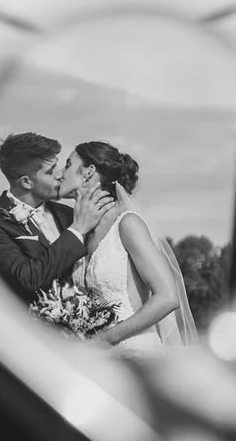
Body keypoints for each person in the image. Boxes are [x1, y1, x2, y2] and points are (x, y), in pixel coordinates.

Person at [58, 141, 198, 354]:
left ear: (88, 172)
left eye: (68, 164)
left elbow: (168, 297)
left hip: (135, 355)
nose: (61, 172)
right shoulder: (81, 233)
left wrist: (103, 340)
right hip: (97, 361)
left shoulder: (127, 224)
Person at [0, 132, 114, 304]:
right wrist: (78, 229)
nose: (60, 175)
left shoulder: (68, 214)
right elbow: (27, 280)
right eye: (50, 171)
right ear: (26, 182)